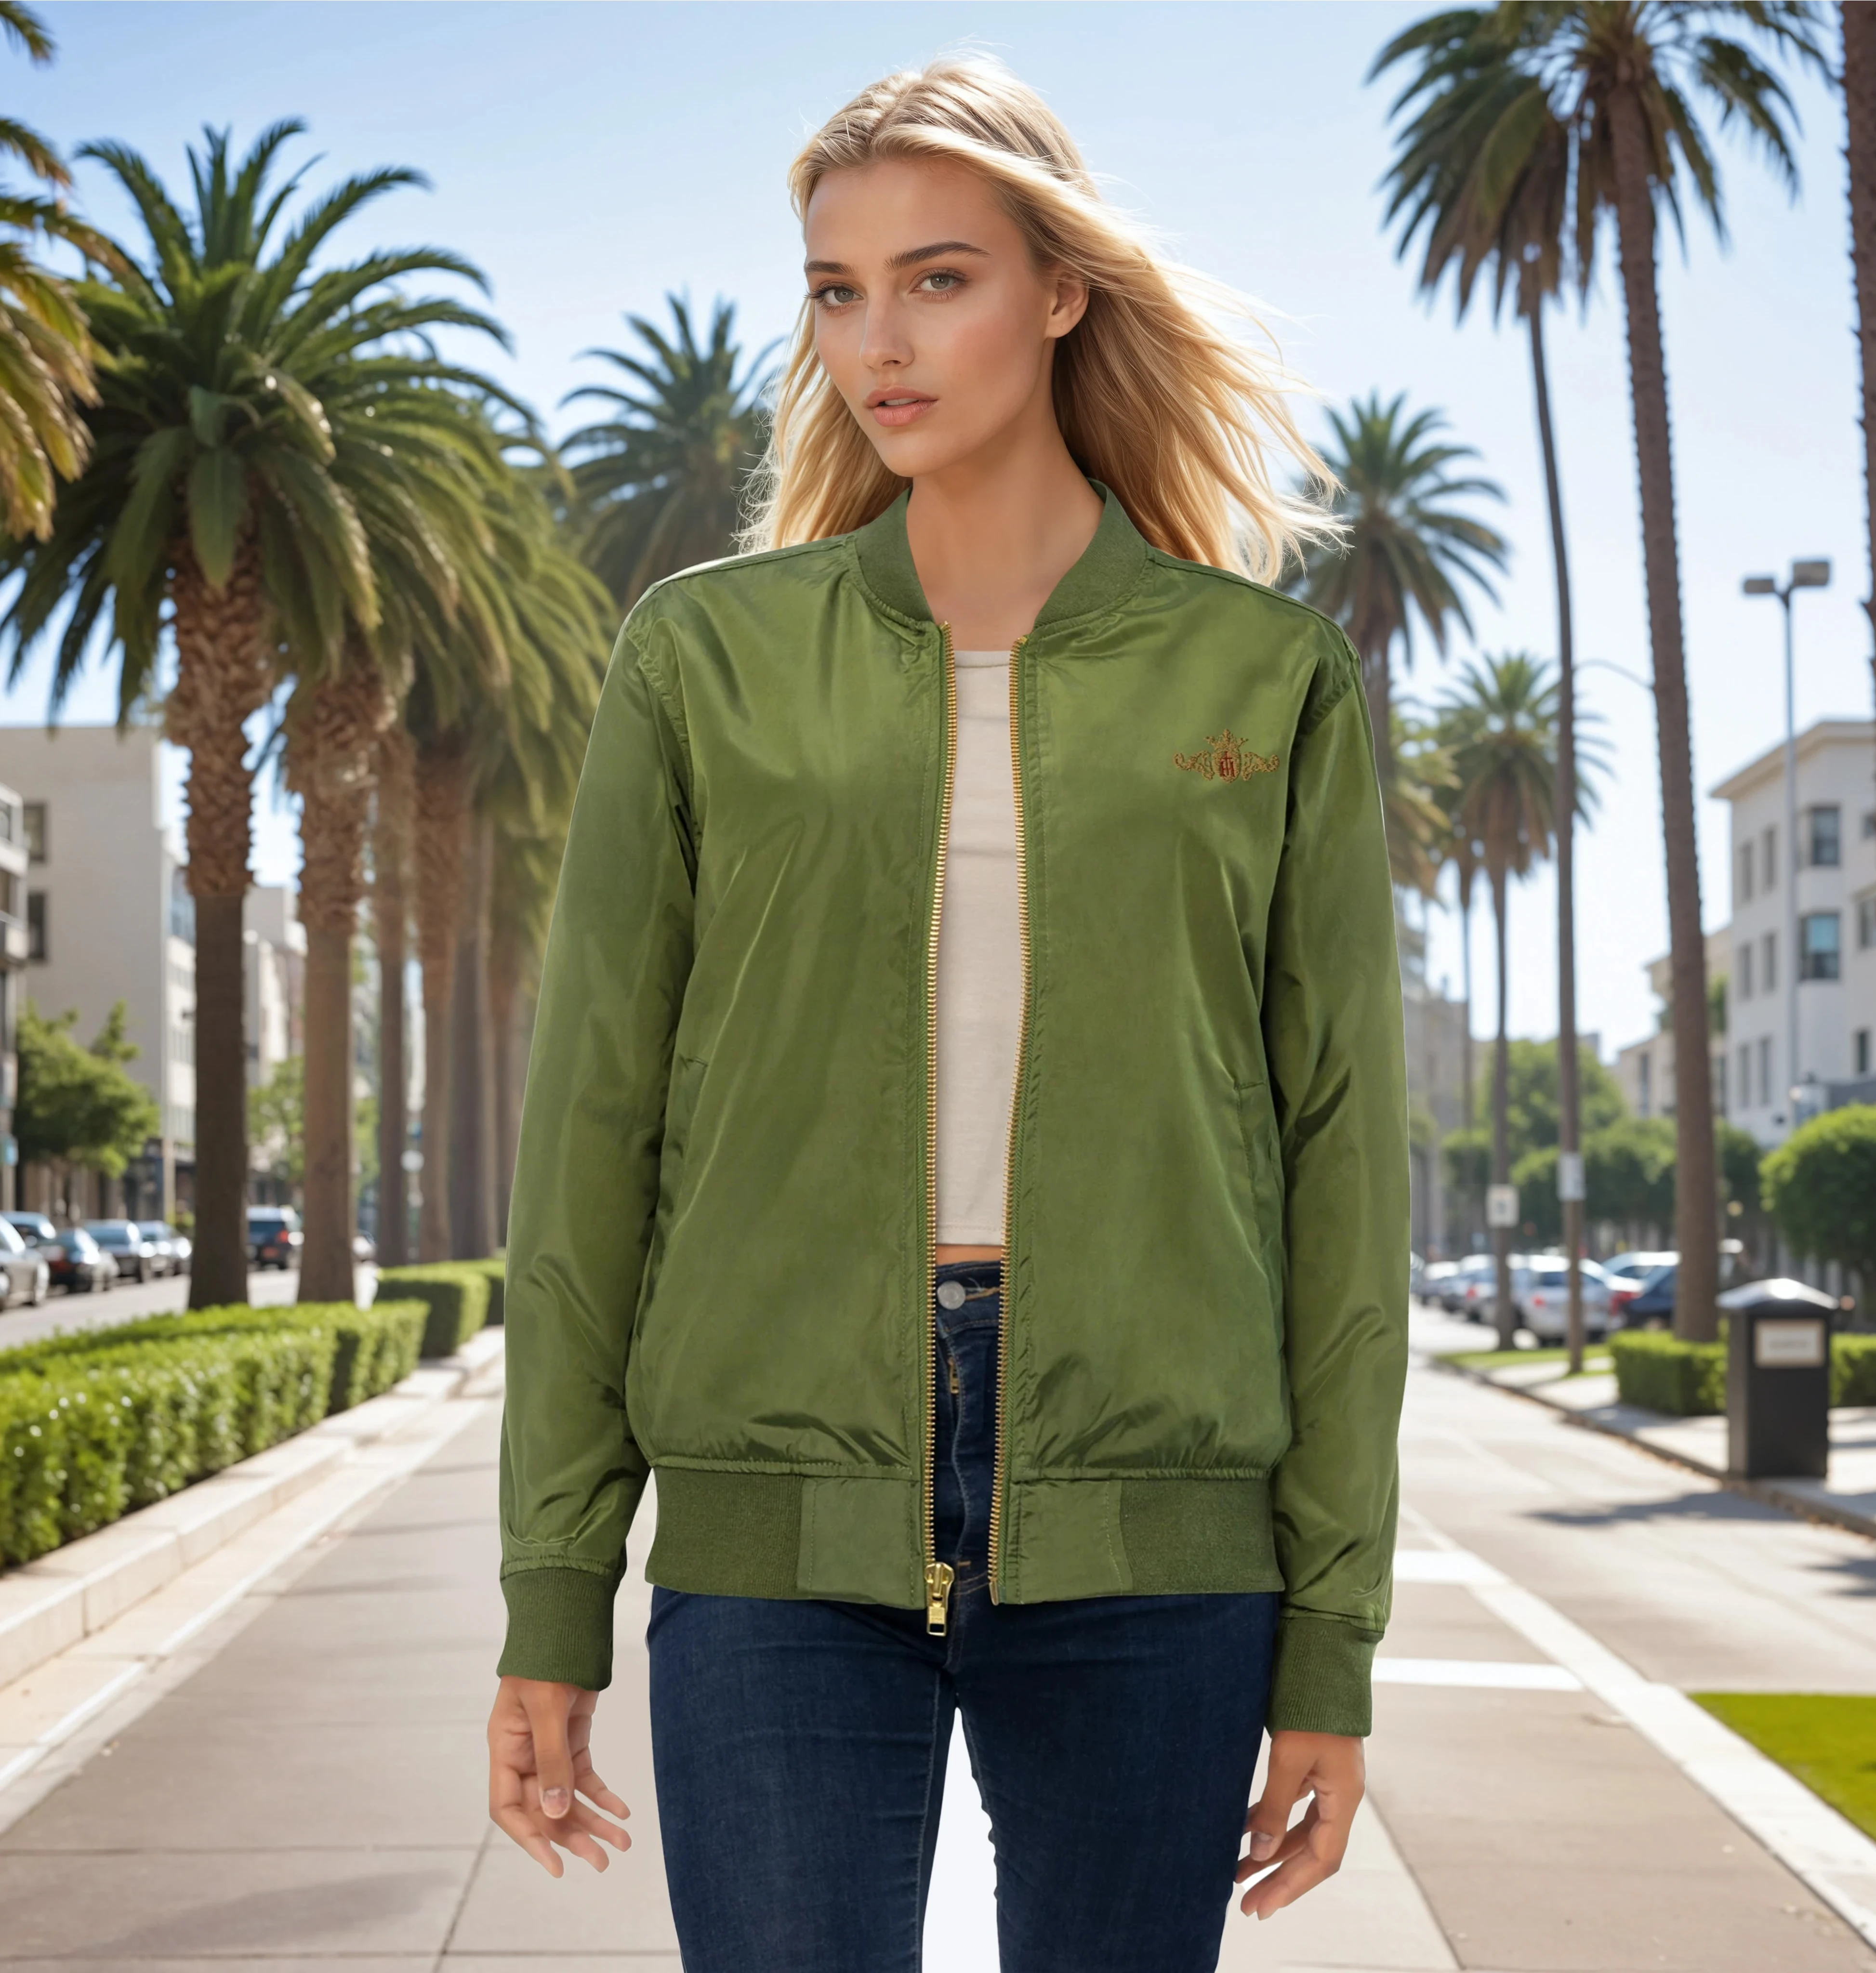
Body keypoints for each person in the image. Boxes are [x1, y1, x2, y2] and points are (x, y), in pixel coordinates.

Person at [486, 54, 1409, 1973]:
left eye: (937, 278)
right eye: (835, 290)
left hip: (1156, 1535)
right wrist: (554, 1592)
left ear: (1061, 288)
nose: (874, 341)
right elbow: (593, 1138)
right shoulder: (708, 661)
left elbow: (1340, 1175)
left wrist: (1330, 1635)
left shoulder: (1264, 680)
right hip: (778, 1517)